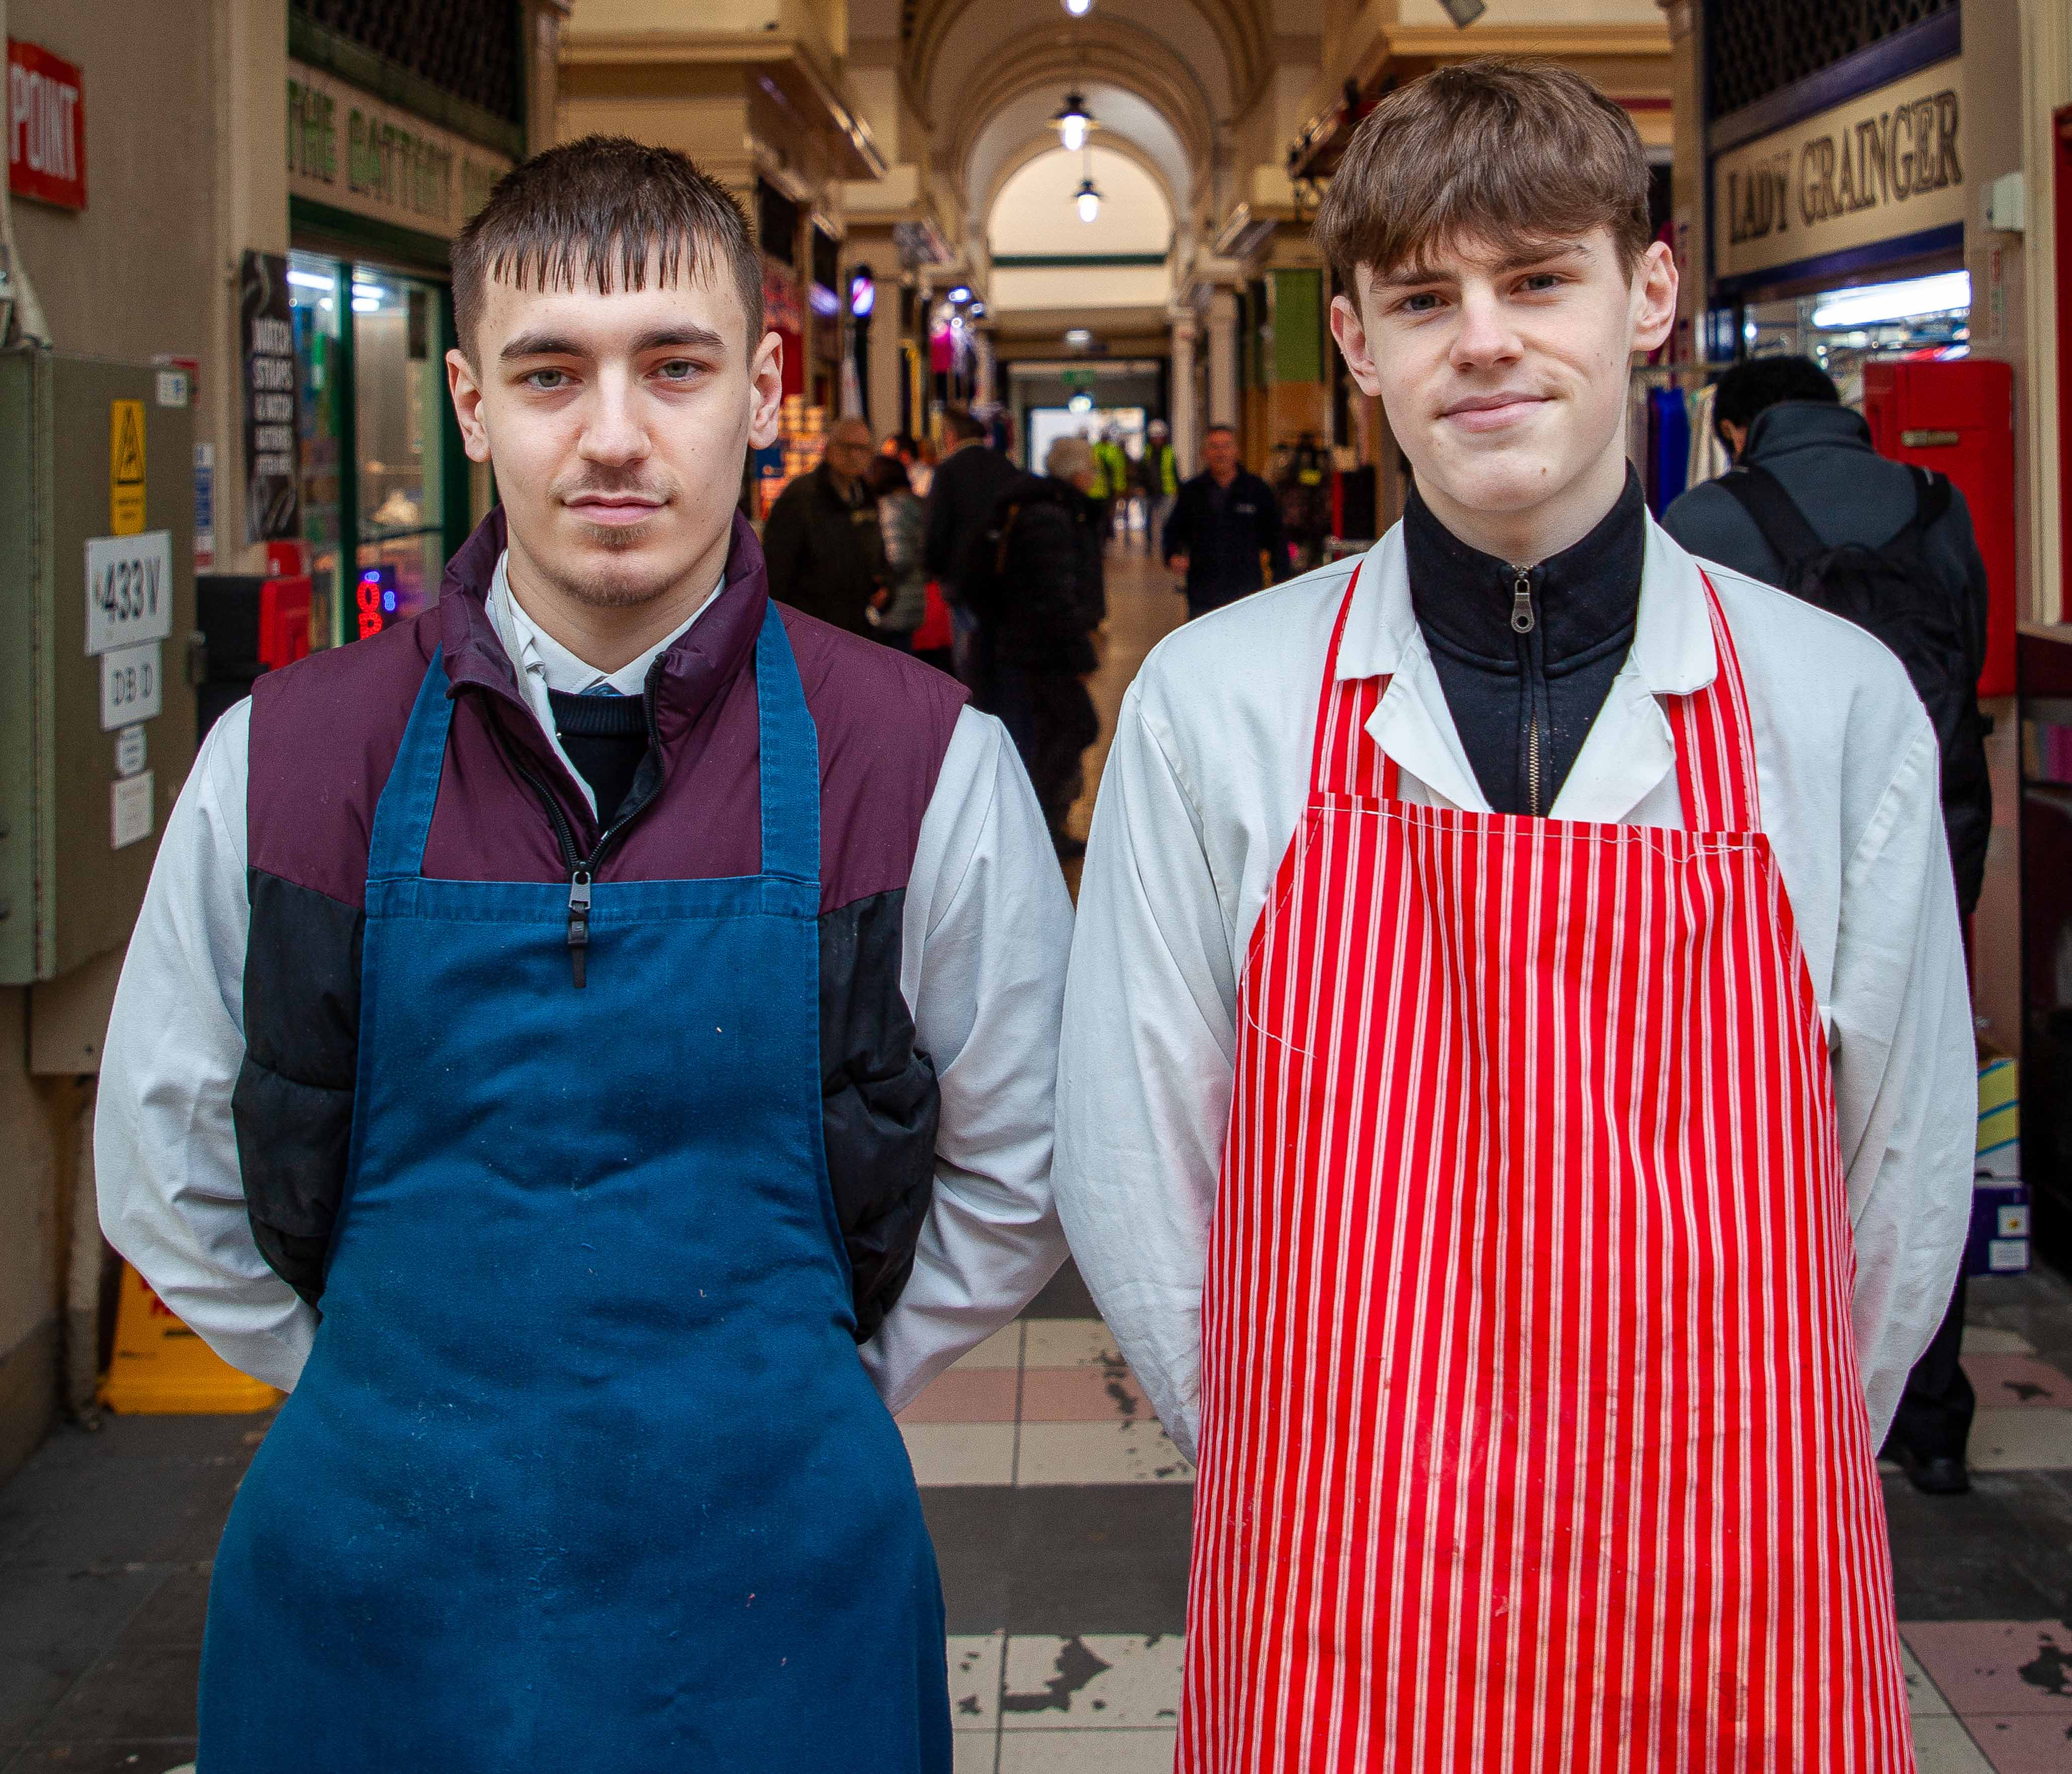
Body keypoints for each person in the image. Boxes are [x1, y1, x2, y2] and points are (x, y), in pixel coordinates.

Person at [96, 135, 1073, 1773]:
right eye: (549, 374)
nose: (611, 435)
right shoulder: (288, 760)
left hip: (789, 1603)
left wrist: (799, 1386)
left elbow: (1019, 1163)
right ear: (471, 406)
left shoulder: (916, 760)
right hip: (365, 1604)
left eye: (670, 367)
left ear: (759, 390)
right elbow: (164, 1160)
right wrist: (380, 1395)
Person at [1054, 59, 1971, 1771]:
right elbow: (1126, 1158)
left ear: (1644, 294)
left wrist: (1754, 1456)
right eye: (1421, 298)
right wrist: (1292, 1460)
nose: (1478, 339)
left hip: (1736, 1592)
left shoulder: (1829, 708)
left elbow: (1902, 1171)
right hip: (1338, 1589)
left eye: (1534, 277)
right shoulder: (1214, 704)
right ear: (1352, 343)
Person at [1664, 353, 1995, 1497]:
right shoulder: (1936, 503)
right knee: (1914, 1110)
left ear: (1741, 425)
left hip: (1758, 870)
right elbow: (1972, 657)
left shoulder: (1707, 515)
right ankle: (1934, 1418)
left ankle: (1762, 1400)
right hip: (1932, 836)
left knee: (1761, 1130)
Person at [966, 434, 1105, 859]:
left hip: (1032, 644)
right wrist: (1081, 652)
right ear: (1079, 473)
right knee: (1080, 725)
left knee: (1052, 730)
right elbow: (1054, 595)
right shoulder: (1050, 517)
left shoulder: (1041, 509)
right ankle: (1041, 821)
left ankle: (1047, 823)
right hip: (1044, 648)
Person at [924, 405, 1020, 689]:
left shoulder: (948, 472)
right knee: (999, 659)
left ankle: (976, 714)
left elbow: (937, 529)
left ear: (951, 436)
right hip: (1003, 582)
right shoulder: (1006, 468)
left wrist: (934, 569)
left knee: (968, 662)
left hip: (963, 582)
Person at [761, 413, 884, 633]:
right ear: (830, 449)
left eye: (864, 449)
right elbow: (776, 570)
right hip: (810, 628)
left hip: (856, 628)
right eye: (848, 447)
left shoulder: (865, 497)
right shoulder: (802, 497)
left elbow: (878, 557)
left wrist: (885, 587)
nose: (856, 456)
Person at [1160, 423, 1288, 614]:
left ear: (1236, 451)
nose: (1221, 453)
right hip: (1203, 591)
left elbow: (1276, 536)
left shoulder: (1256, 490)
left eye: (1227, 446)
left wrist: (1282, 580)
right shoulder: (1192, 492)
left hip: (1246, 591)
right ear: (1205, 453)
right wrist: (1172, 555)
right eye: (1214, 447)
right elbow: (1173, 530)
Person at [866, 451, 930, 651]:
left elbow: (898, 557)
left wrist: (880, 581)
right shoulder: (918, 505)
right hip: (913, 599)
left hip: (895, 605)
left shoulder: (892, 508)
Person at [1138, 418, 1178, 554]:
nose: (1157, 439)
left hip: (1166, 491)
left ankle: (1165, 545)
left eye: (1160, 436)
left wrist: (1177, 489)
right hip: (1149, 492)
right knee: (1148, 520)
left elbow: (1174, 471)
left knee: (1166, 520)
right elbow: (1142, 472)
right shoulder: (1147, 452)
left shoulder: (1169, 452)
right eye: (1155, 437)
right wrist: (1141, 487)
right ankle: (1149, 545)